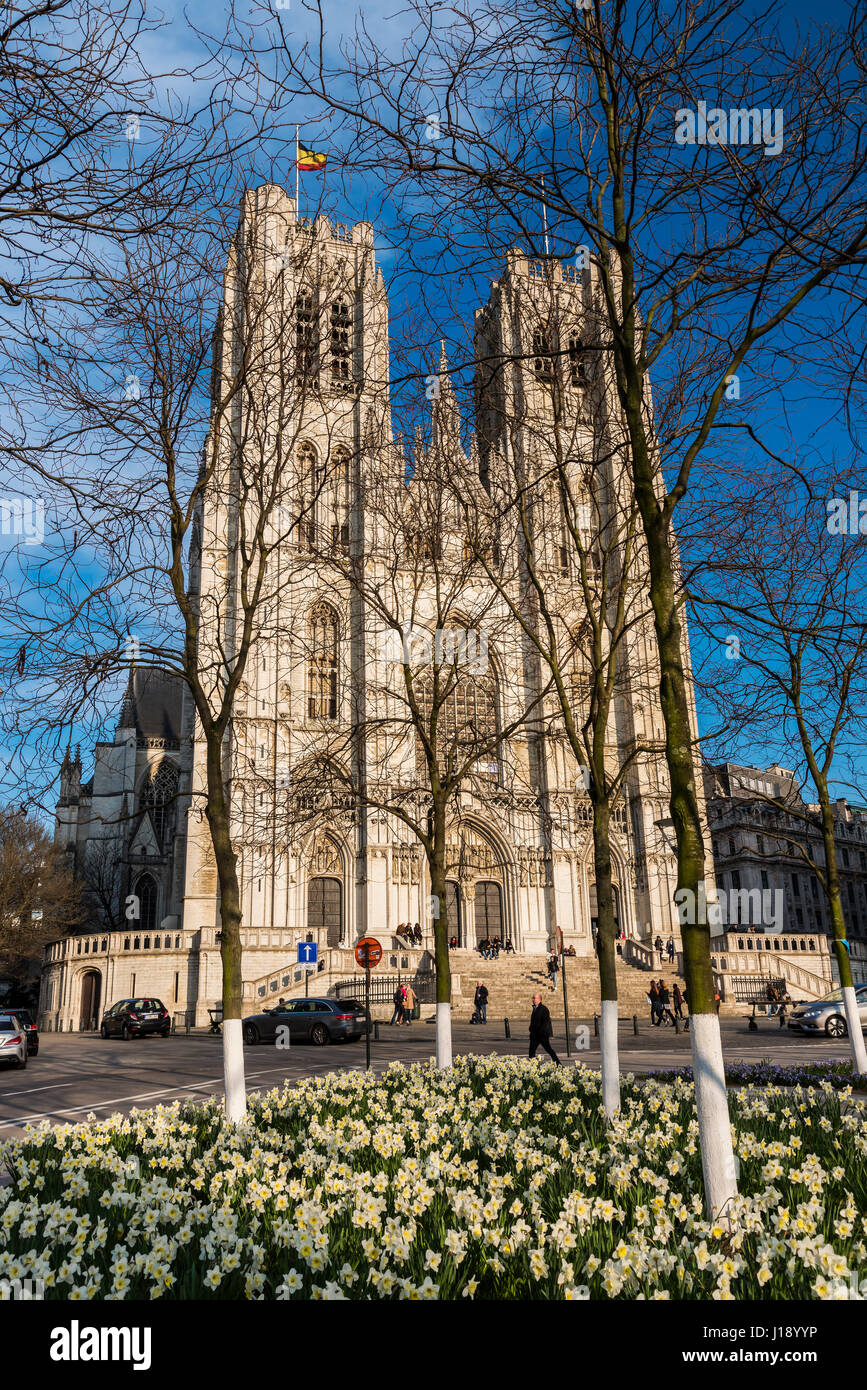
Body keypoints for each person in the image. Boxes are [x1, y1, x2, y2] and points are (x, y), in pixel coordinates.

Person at [529, 993, 562, 1064]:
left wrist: (541, 1032)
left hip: (542, 1035)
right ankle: (533, 1066)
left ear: (540, 999)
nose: (533, 999)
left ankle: (558, 1064)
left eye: (535, 998)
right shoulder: (535, 1008)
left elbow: (546, 1022)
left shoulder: (544, 1009)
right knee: (531, 1052)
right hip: (534, 1035)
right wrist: (531, 1029)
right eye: (533, 998)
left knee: (549, 1050)